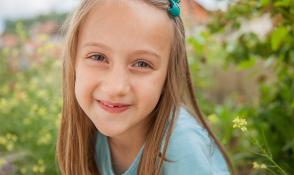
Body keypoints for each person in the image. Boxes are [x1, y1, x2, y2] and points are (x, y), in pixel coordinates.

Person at [56, 0, 233, 174]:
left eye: (141, 63)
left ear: (168, 75)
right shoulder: (87, 132)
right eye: (98, 57)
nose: (116, 87)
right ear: (73, 61)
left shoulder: (183, 147)